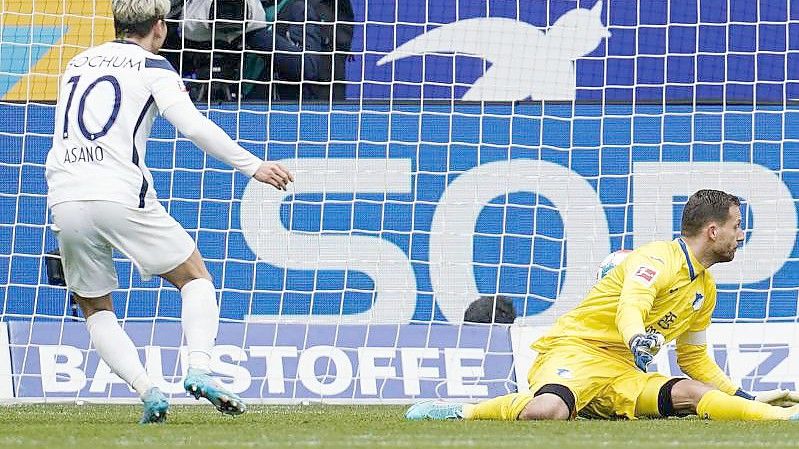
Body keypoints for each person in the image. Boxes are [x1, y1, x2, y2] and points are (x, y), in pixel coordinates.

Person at [45, 0, 294, 424]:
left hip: (65, 195)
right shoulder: (154, 67)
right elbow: (192, 125)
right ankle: (198, 367)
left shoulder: (76, 62)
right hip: (120, 191)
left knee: (94, 307)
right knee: (194, 277)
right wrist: (253, 165)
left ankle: (149, 392)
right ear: (159, 27)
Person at [408, 189, 799, 422]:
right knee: (545, 414)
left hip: (623, 373)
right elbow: (631, 305)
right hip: (578, 352)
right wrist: (635, 339)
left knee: (694, 393)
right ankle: (464, 411)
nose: (741, 235)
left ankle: (783, 419)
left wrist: (742, 396)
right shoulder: (657, 258)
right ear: (713, 231)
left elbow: (693, 358)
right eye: (737, 226)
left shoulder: (704, 288)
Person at [181, 0, 321, 101]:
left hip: (273, 104)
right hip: (225, 96)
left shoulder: (295, 8)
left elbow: (308, 68)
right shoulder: (208, 9)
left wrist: (252, 32)